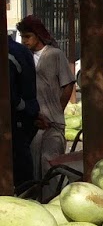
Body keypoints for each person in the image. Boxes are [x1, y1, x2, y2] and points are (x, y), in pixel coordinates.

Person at [17, 15, 72, 186]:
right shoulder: (23, 57)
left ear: (38, 35)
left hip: (53, 123)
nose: (24, 41)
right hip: (32, 123)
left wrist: (57, 111)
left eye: (28, 36)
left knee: (51, 165)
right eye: (22, 37)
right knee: (33, 168)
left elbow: (68, 86)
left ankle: (54, 202)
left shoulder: (55, 55)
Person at [8, 35, 38, 188]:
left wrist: (23, 107)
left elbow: (10, 95)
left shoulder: (9, 54)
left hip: (16, 117)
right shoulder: (21, 51)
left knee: (18, 161)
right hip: (26, 115)